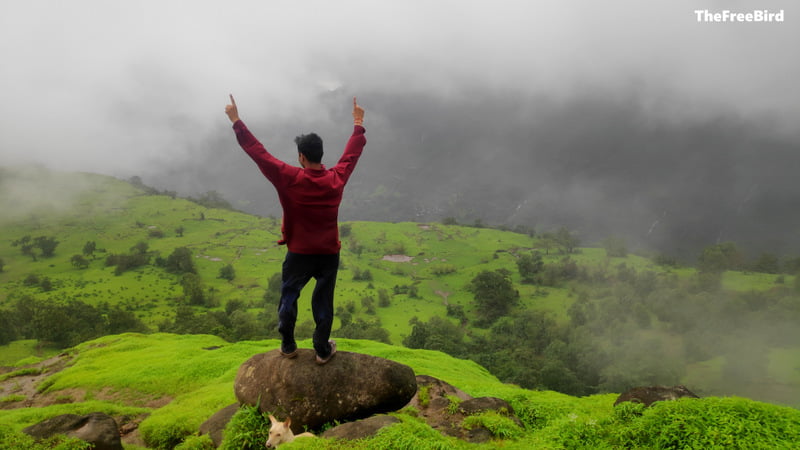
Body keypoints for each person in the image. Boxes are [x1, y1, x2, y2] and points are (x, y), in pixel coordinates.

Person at [225, 94, 366, 364]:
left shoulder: (289, 178)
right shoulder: (336, 179)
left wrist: (236, 120)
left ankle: (288, 345)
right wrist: (358, 122)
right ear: (320, 155)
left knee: (289, 295)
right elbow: (351, 154)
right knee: (323, 300)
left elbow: (259, 153)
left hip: (299, 252)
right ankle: (322, 349)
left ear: (301, 156)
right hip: (328, 253)